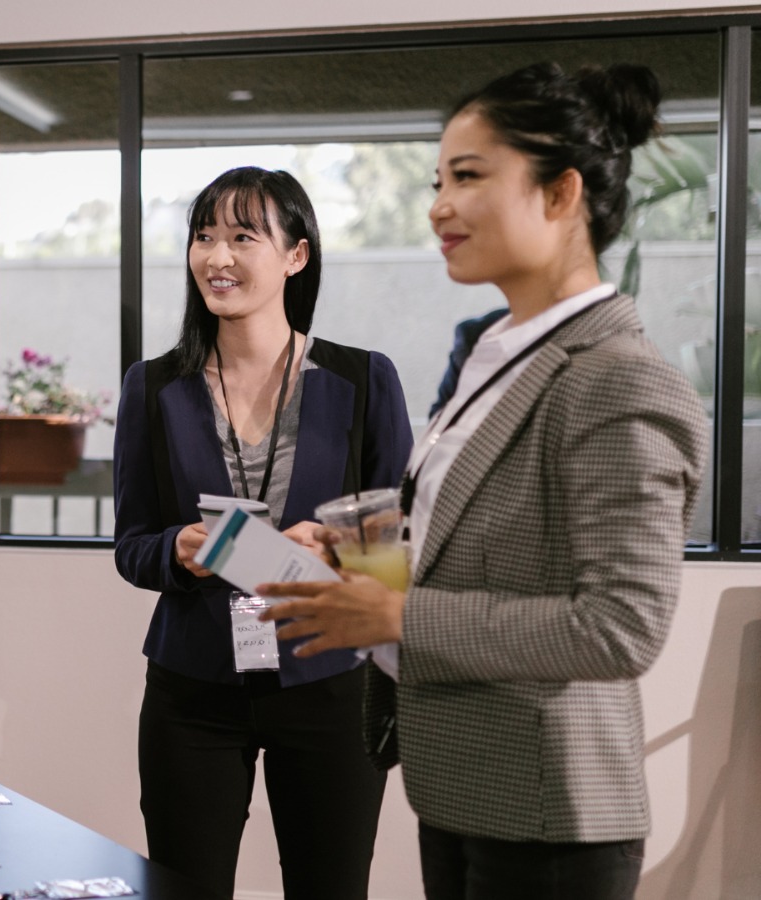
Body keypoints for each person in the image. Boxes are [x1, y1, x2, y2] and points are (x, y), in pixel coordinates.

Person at [258, 63, 707, 900]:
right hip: (465, 785)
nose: (437, 206)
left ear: (561, 193)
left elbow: (622, 626)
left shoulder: (617, 377)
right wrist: (360, 551)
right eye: (437, 180)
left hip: (551, 812)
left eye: (469, 176)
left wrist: (395, 613)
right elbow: (475, 528)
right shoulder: (496, 354)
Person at [112, 166, 412, 899]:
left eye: (243, 237)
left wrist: (339, 545)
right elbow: (132, 545)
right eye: (204, 237)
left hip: (330, 681)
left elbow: (400, 545)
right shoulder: (153, 388)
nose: (218, 257)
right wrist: (178, 553)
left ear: (296, 255)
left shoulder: (363, 379)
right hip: (193, 688)